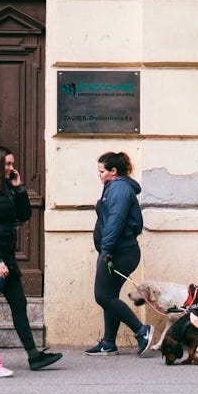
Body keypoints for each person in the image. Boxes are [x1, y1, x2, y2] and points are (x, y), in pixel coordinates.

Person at [0, 145, 62, 371]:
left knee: (18, 302)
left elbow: (24, 214)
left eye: (12, 164)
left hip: (4, 257)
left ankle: (34, 355)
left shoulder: (5, 187)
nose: (11, 167)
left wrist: (19, 189)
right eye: (7, 164)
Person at [84, 151, 153, 357]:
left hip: (119, 252)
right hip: (117, 250)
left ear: (113, 171)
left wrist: (106, 250)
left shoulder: (119, 188)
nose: (99, 175)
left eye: (102, 171)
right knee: (110, 296)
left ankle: (142, 331)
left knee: (102, 296)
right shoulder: (113, 187)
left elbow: (115, 221)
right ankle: (108, 343)